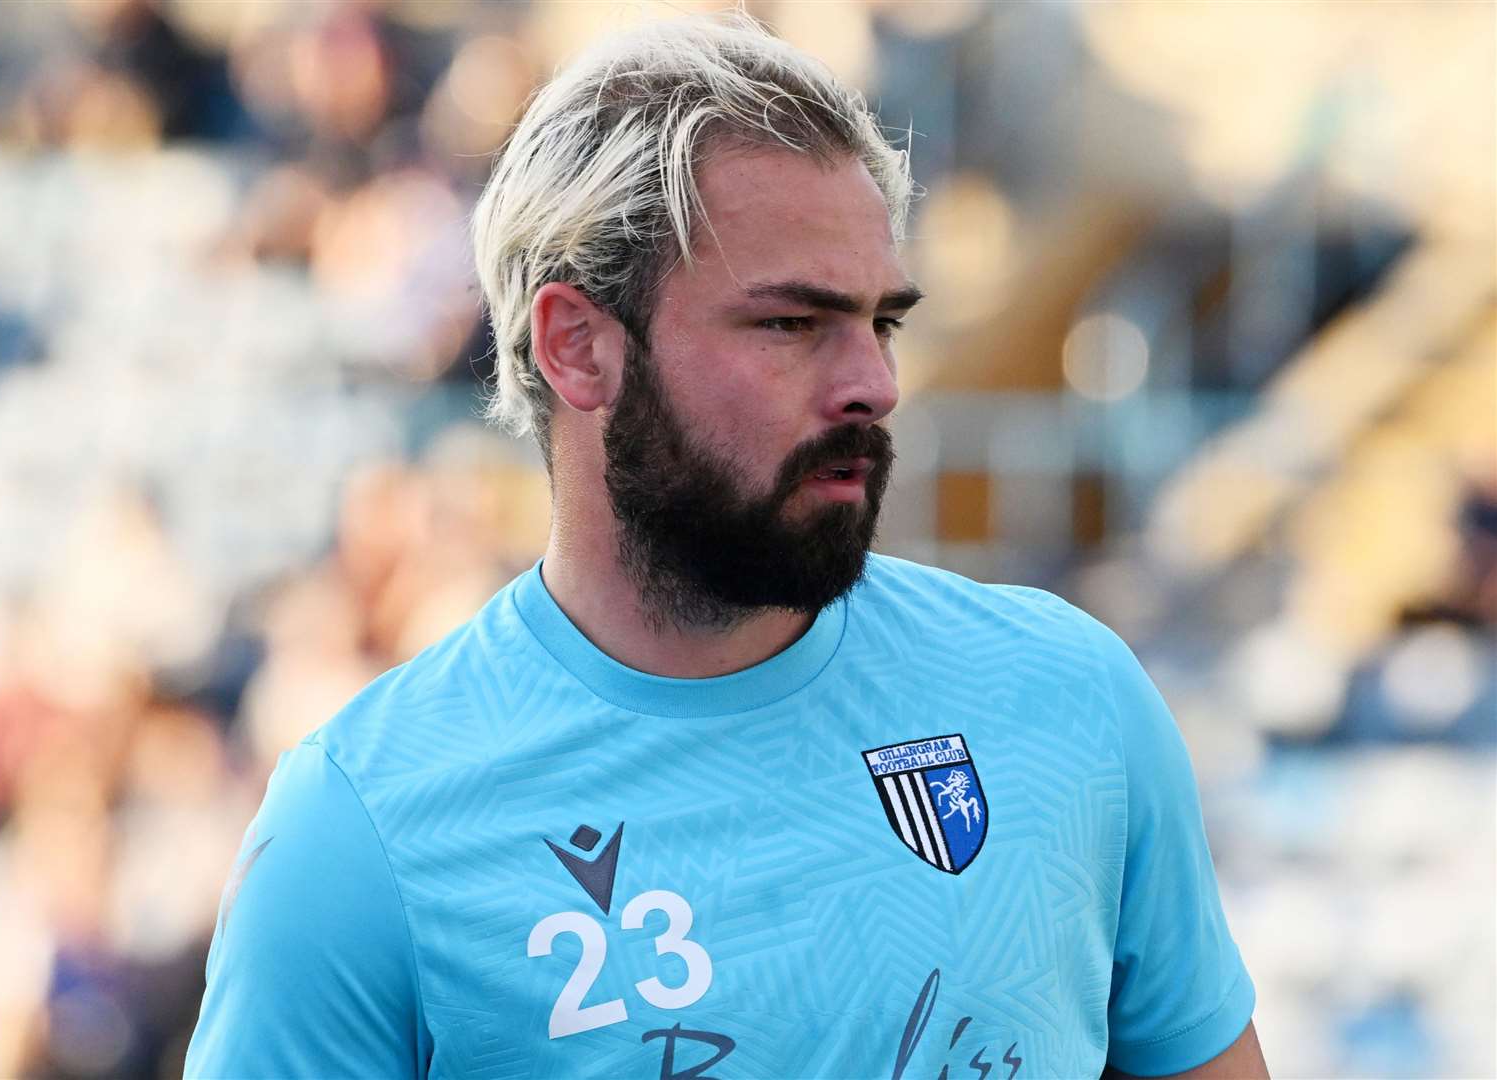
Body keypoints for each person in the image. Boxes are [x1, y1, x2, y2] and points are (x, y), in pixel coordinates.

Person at [186, 16, 1267, 1080]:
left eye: (880, 323)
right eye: (791, 324)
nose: (872, 384)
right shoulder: (363, 831)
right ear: (578, 348)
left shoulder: (1067, 694)